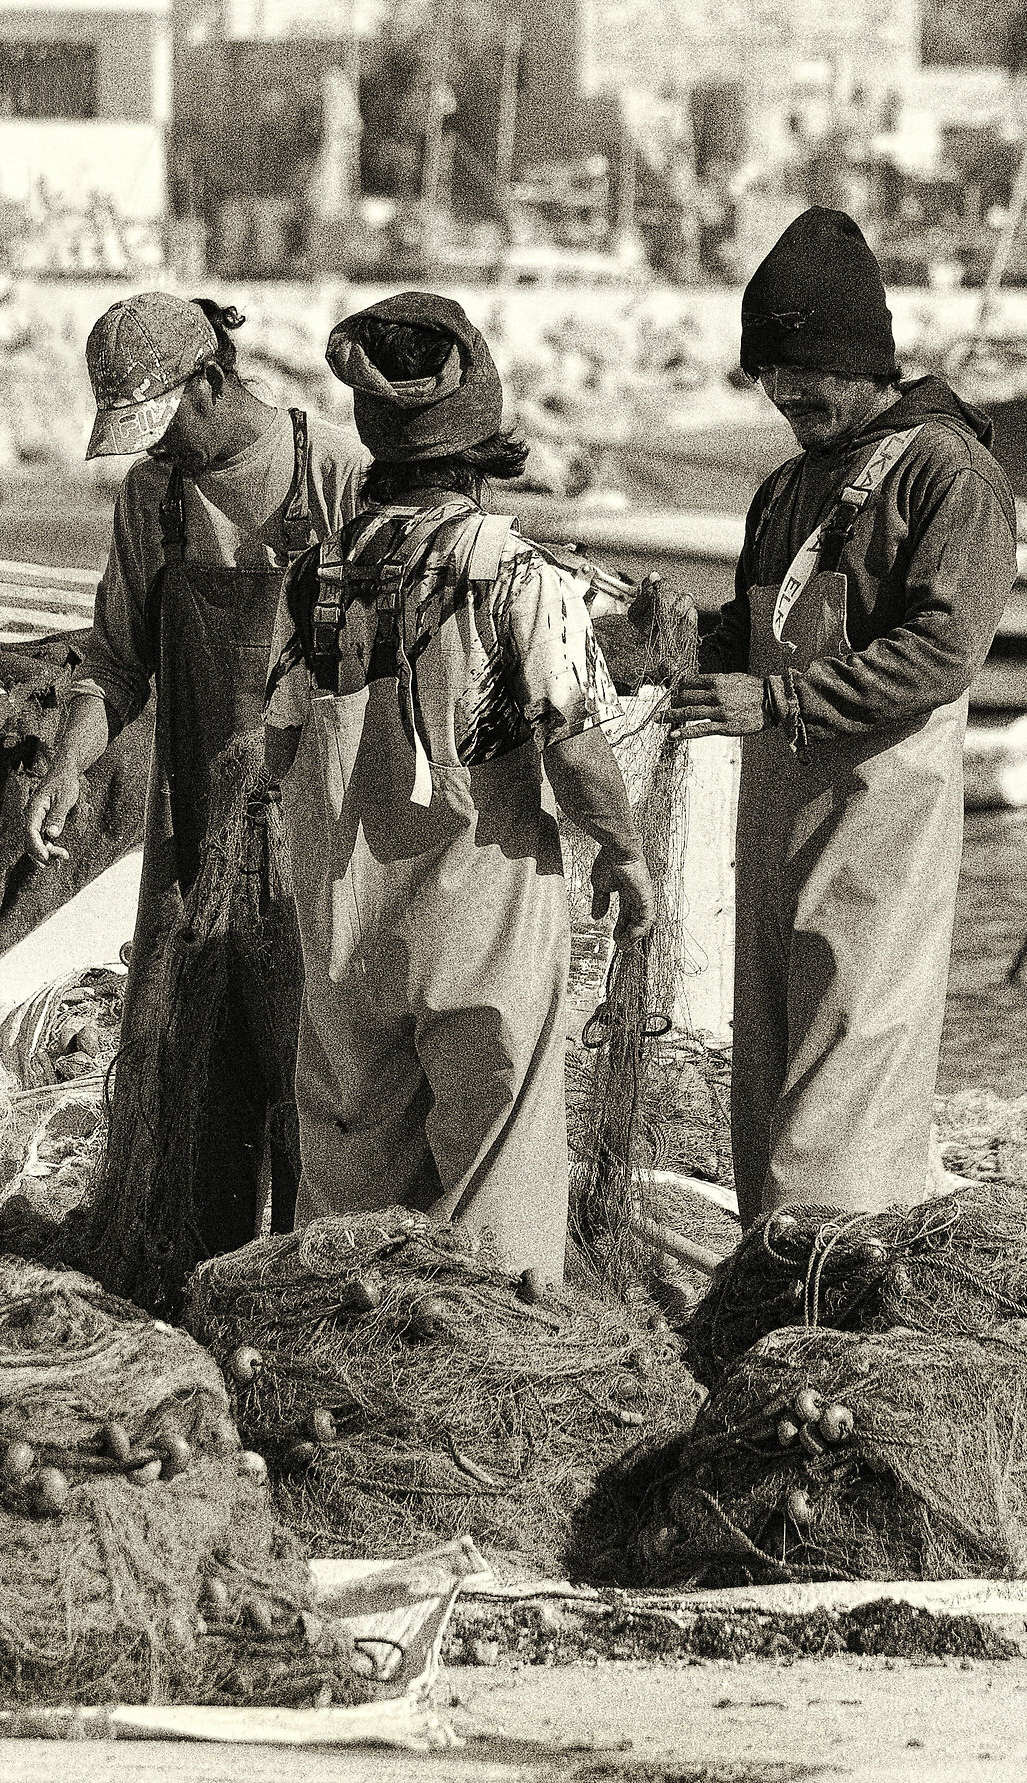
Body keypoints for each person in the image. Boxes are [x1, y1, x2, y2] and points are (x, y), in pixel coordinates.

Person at [263, 292, 653, 1278]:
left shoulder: (317, 575)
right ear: (482, 429)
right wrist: (623, 850)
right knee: (498, 1198)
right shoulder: (519, 575)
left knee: (348, 1210)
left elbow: (275, 749)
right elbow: (571, 741)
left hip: (345, 932)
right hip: (479, 933)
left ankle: (330, 1384)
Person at [668, 207, 1019, 1221]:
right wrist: (671, 643)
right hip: (780, 817)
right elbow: (758, 626)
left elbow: (941, 655)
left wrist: (774, 699)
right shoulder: (786, 487)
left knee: (846, 1086)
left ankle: (829, 1302)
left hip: (879, 835)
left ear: (862, 357)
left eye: (802, 374)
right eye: (768, 378)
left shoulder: (947, 474)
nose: (785, 396)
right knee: (768, 1084)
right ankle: (766, 1286)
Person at [27, 291, 366, 1246]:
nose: (152, 448)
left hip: (318, 844)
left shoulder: (334, 474)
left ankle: (306, 1285)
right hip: (194, 842)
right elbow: (115, 664)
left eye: (160, 422)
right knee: (197, 1089)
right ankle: (198, 1283)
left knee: (322, 1086)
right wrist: (70, 763)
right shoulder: (153, 497)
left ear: (211, 381)